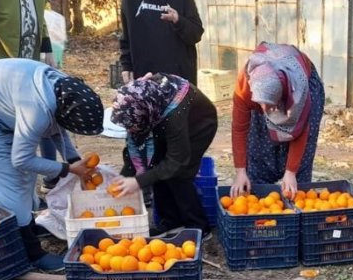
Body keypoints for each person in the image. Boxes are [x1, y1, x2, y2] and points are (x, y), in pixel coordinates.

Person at [0, 59, 104, 271]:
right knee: (15, 178)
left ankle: (22, 226)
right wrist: (68, 169)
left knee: (25, 176)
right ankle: (31, 253)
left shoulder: (66, 89)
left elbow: (57, 128)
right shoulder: (35, 109)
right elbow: (21, 160)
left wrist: (74, 160)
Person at [0, 0, 76, 190]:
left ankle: (50, 178)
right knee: (9, 128)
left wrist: (47, 48)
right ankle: (4, 186)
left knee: (44, 113)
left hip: (27, 61)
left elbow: (38, 16)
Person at [109, 73, 217, 237]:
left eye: (133, 126)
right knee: (156, 164)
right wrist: (125, 175)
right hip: (166, 122)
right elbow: (135, 142)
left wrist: (138, 181)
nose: (130, 131)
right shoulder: (140, 102)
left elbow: (176, 162)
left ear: (147, 114)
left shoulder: (173, 114)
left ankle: (199, 227)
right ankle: (171, 222)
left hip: (199, 126)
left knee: (179, 173)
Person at [230, 42, 325, 199]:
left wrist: (291, 172)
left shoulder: (298, 91)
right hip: (268, 88)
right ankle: (260, 193)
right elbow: (239, 129)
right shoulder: (245, 88)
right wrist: (240, 171)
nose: (269, 110)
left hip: (300, 83)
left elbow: (301, 131)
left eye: (272, 105)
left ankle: (295, 192)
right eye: (263, 105)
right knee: (259, 142)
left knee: (299, 167)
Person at [118, 0, 204, 85]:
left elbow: (196, 33)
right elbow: (126, 35)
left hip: (178, 81)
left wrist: (178, 20)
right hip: (144, 77)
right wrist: (126, 65)